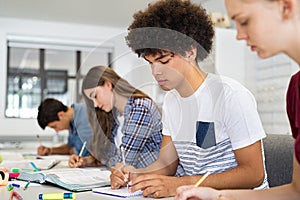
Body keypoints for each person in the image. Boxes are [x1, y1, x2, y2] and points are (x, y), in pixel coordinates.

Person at [110, 0, 269, 198]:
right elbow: (166, 165)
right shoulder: (171, 101)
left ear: (190, 52)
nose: (156, 71)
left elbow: (254, 173)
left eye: (164, 61)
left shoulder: (230, 95)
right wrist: (135, 175)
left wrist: (180, 184)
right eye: (150, 63)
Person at [175, 0, 300, 199]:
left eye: (245, 21)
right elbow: (295, 192)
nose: (239, 35)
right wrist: (216, 196)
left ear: (285, 6)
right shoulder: (295, 88)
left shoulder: (231, 95)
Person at [68, 65, 162, 169]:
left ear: (108, 84)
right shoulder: (115, 115)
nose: (95, 104)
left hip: (157, 182)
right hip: (132, 182)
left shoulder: (140, 108)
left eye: (95, 96)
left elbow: (125, 161)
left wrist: (102, 160)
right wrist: (87, 161)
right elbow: (111, 157)